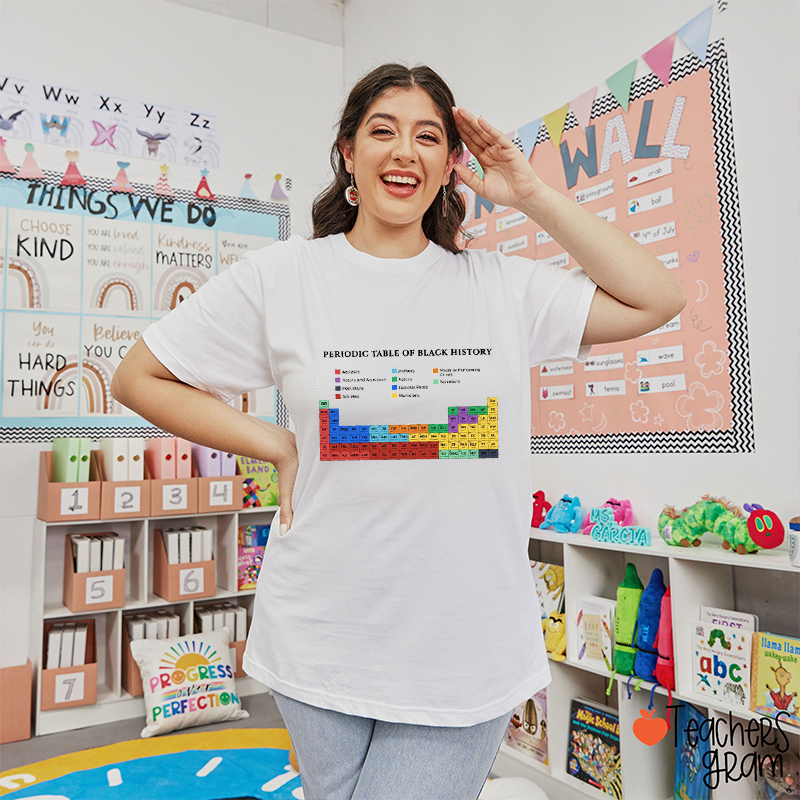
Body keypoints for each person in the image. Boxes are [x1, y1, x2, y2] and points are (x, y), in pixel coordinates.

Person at [112, 63, 685, 800]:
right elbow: (138, 377)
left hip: (461, 642)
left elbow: (657, 298)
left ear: (452, 164)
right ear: (348, 152)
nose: (404, 151)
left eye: (428, 136)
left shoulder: (502, 287)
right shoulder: (283, 278)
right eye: (382, 131)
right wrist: (276, 443)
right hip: (318, 630)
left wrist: (534, 194)